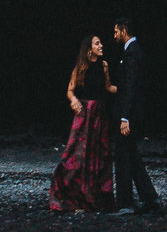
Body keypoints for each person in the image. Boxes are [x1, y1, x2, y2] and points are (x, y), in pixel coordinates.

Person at [48, 32, 116, 212]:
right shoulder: (81, 67)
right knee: (77, 153)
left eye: (101, 43)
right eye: (97, 43)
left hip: (100, 115)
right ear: (89, 50)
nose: (101, 46)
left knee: (100, 155)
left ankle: (95, 197)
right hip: (85, 114)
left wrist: (128, 88)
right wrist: (73, 100)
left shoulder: (104, 65)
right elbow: (70, 90)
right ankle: (71, 193)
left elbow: (108, 87)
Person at [109, 16, 162, 214]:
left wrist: (124, 117)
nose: (114, 35)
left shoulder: (132, 53)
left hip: (128, 115)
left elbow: (130, 87)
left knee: (123, 157)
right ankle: (150, 198)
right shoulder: (134, 51)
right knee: (131, 156)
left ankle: (125, 203)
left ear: (124, 30)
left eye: (116, 31)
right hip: (132, 113)